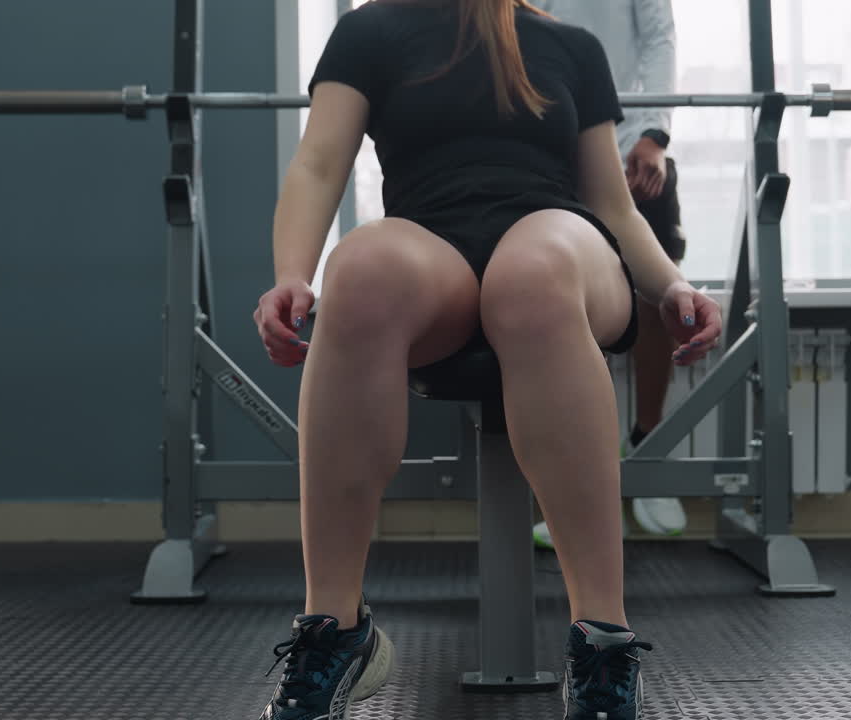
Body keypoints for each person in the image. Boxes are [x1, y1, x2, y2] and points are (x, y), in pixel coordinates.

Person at [251, 1, 722, 718]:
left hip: (560, 245)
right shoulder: (370, 30)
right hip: (433, 251)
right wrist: (292, 274)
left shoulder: (570, 46)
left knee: (530, 276)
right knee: (360, 268)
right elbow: (317, 166)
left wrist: (674, 285)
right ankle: (335, 630)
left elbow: (614, 205)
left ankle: (603, 640)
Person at [529, 0, 691, 546]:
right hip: (550, 146)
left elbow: (660, 38)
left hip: (632, 145)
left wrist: (656, 134)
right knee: (558, 303)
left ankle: (647, 445)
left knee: (659, 298)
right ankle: (580, 471)